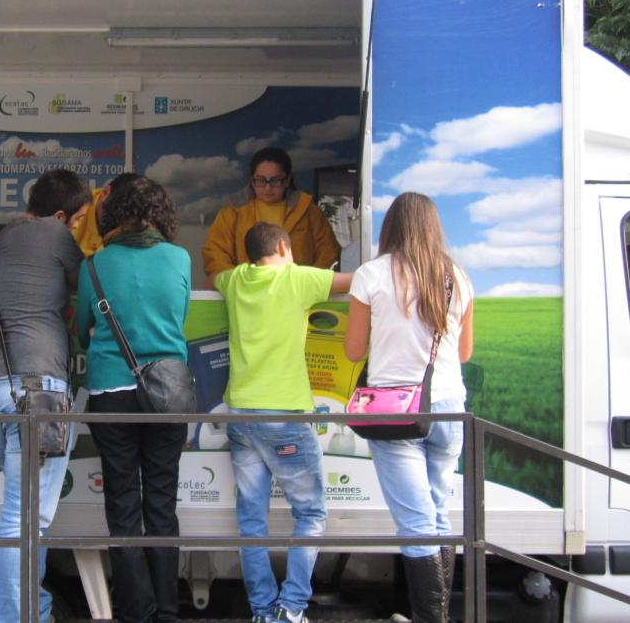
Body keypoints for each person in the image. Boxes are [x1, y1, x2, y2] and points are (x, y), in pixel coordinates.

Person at [343, 192, 474, 623]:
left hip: (395, 409)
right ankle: (433, 614)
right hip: (449, 406)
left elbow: (353, 350)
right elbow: (466, 352)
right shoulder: (458, 276)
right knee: (437, 510)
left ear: (391, 226)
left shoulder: (371, 275)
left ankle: (431, 619)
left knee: (416, 522)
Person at [213, 222, 352, 623]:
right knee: (309, 514)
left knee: (251, 521)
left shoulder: (236, 279)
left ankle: (262, 610)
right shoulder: (299, 278)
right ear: (283, 246)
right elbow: (358, 280)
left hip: (239, 413)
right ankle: (291, 609)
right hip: (283, 417)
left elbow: (215, 277)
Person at [0, 169, 90, 623]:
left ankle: (33, 610)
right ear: (61, 215)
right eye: (79, 220)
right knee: (25, 520)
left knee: (26, 517)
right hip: (38, 391)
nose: (77, 230)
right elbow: (91, 288)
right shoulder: (55, 235)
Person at [74, 176, 191, 623]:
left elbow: (81, 328)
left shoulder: (95, 265)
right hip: (168, 393)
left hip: (110, 391)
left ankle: (137, 611)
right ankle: (165, 610)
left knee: (123, 504)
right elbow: (177, 319)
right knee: (162, 502)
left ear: (111, 212)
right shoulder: (179, 258)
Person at [202, 147, 340, 278]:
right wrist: (238, 284)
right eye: (261, 180)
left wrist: (309, 284)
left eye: (275, 180)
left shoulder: (309, 212)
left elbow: (328, 255)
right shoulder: (232, 213)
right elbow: (215, 254)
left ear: (287, 180)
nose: (268, 187)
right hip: (247, 296)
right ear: (252, 180)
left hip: (301, 298)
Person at [70, 171, 141, 255]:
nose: (114, 225)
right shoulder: (73, 208)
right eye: (113, 213)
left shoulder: (141, 223)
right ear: (105, 192)